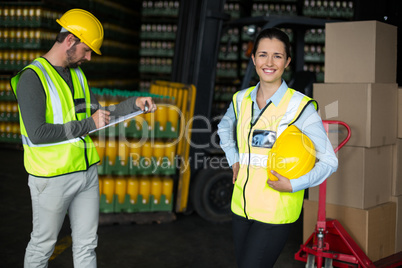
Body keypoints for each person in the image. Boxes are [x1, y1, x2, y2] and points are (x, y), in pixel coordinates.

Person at [10, 9, 156, 268]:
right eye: (87, 50)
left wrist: (134, 104)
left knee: (87, 244)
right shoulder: (32, 78)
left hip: (86, 173)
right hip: (52, 178)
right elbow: (38, 133)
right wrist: (89, 123)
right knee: (42, 245)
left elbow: (101, 116)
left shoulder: (77, 74)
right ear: (70, 41)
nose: (88, 57)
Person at [217, 28, 338, 268]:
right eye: (262, 55)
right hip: (241, 208)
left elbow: (329, 161)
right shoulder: (241, 99)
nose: (269, 62)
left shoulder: (300, 106)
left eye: (277, 56)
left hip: (275, 211)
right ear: (253, 59)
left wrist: (293, 185)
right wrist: (234, 159)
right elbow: (223, 128)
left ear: (287, 61)